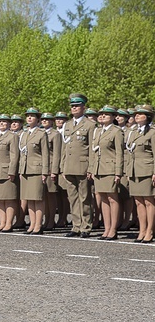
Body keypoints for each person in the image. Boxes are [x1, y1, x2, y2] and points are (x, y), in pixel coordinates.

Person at [61, 93, 97, 238]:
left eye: (77, 106)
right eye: (72, 106)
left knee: (85, 197)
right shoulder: (67, 125)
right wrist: (63, 166)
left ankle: (86, 226)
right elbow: (65, 147)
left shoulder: (90, 124)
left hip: (83, 165)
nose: (74, 108)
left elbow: (92, 148)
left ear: (84, 107)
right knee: (73, 197)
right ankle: (76, 225)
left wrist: (91, 167)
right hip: (69, 166)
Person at [89, 105, 124, 240]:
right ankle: (107, 227)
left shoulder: (116, 131)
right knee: (103, 198)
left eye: (107, 114)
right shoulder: (97, 131)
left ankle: (113, 229)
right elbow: (94, 152)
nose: (102, 116)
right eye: (101, 114)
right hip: (98, 169)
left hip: (110, 168)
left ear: (114, 117)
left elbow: (119, 153)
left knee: (112, 198)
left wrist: (118, 172)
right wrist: (92, 169)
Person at [125, 105, 155, 243]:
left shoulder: (152, 132)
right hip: (134, 170)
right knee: (138, 202)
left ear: (148, 116)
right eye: (135, 114)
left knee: (149, 202)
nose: (136, 116)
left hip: (147, 170)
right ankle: (142, 230)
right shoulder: (134, 132)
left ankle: (150, 230)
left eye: (140, 114)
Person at [19, 108, 50, 235]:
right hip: (26, 169)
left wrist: (45, 172)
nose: (29, 118)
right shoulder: (24, 134)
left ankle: (38, 225)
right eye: (28, 116)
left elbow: (45, 154)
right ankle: (32, 224)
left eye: (32, 116)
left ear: (38, 119)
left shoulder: (41, 133)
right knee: (29, 199)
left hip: (36, 169)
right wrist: (21, 170)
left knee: (38, 199)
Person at [40, 113, 62, 230]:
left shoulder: (55, 134)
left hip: (50, 167)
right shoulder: (40, 133)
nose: (44, 121)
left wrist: (54, 171)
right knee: (44, 195)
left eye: (47, 119)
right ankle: (46, 218)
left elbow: (57, 153)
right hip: (42, 167)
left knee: (51, 195)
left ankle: (51, 219)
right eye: (43, 119)